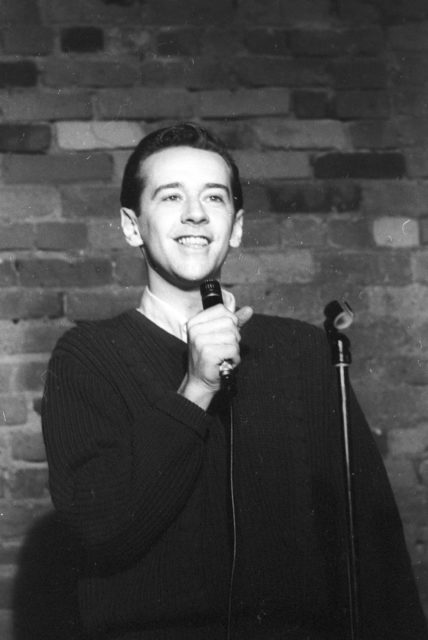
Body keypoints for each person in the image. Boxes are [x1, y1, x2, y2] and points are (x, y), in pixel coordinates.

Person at [41, 122, 428, 640]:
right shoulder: (86, 358)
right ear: (132, 226)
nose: (195, 213)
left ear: (237, 226)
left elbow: (373, 547)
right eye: (171, 195)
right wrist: (196, 387)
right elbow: (100, 530)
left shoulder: (302, 352)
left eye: (214, 198)